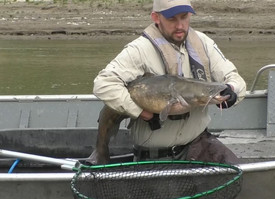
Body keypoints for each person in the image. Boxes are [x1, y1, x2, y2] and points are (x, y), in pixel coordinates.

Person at [93, 0, 246, 164]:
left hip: (199, 145)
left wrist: (231, 89)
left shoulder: (203, 43)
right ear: (156, 18)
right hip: (154, 157)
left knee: (243, 177)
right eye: (172, 19)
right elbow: (103, 83)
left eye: (184, 17)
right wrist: (140, 111)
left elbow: (234, 78)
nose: (180, 25)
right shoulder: (139, 50)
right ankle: (99, 155)